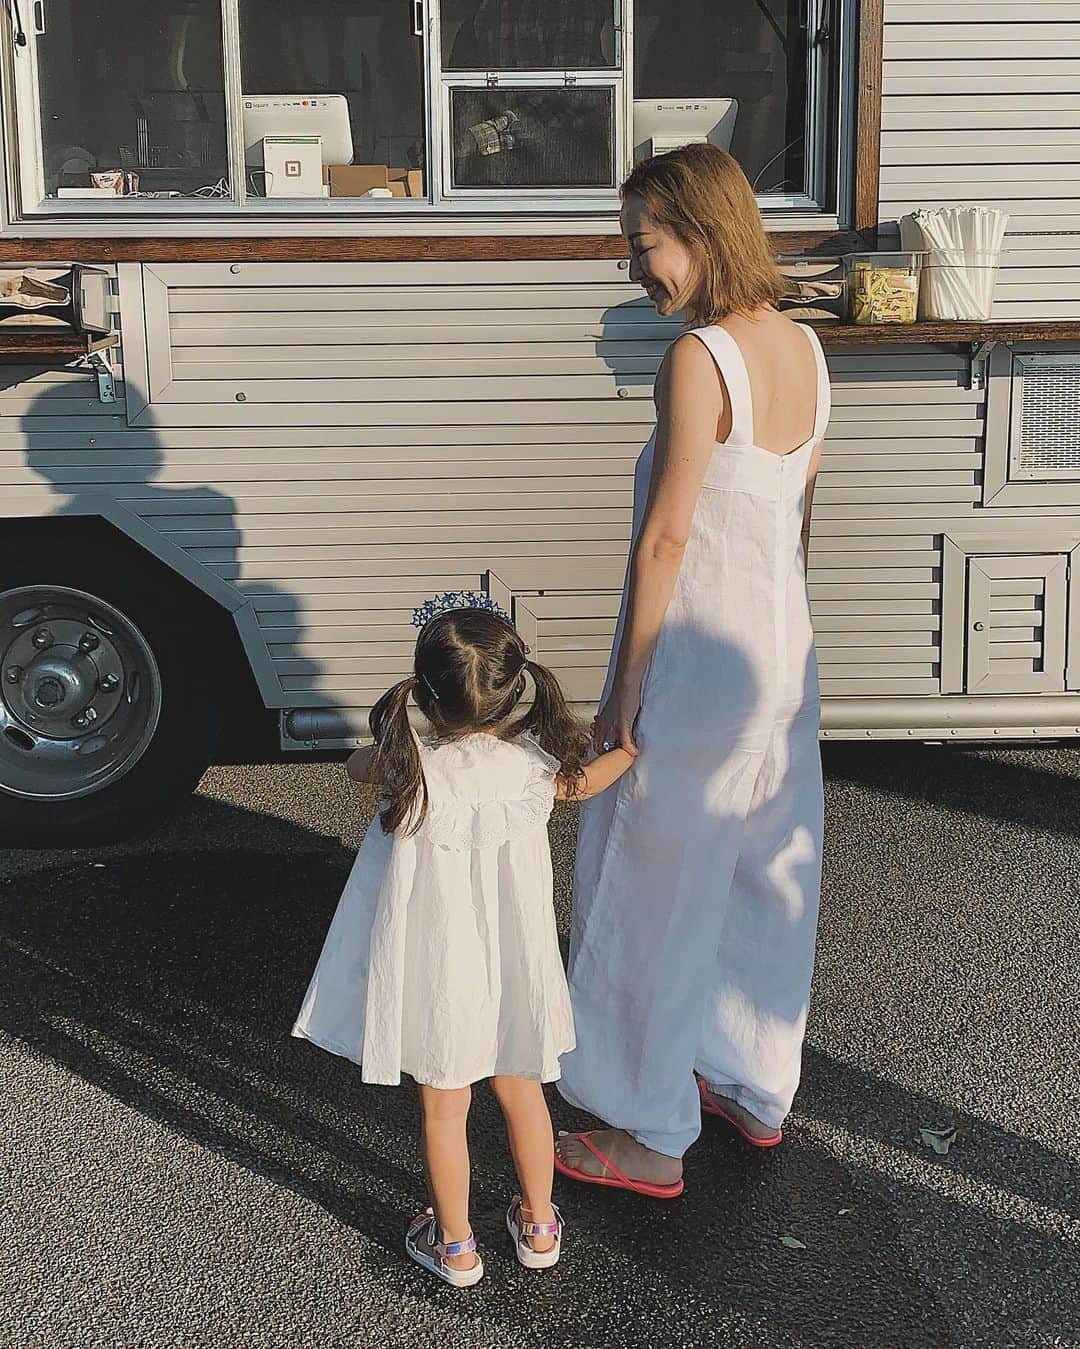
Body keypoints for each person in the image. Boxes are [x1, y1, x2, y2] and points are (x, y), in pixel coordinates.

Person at [554, 143, 831, 1198]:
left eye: (645, 245)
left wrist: (625, 692)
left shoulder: (700, 358)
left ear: (704, 234)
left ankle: (647, 1132)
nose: (636, 269)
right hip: (779, 660)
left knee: (649, 885)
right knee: (765, 871)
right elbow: (798, 520)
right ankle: (752, 1085)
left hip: (697, 667)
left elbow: (665, 541)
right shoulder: (806, 349)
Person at [291, 594, 634, 1287]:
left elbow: (359, 767)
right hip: (514, 969)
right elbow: (584, 782)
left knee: (445, 1108)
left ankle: (455, 1244)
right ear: (514, 691)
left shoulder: (409, 764)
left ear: (424, 690)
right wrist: (628, 750)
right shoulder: (535, 764)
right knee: (525, 1091)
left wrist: (388, 743)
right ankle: (538, 1222)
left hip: (439, 971)